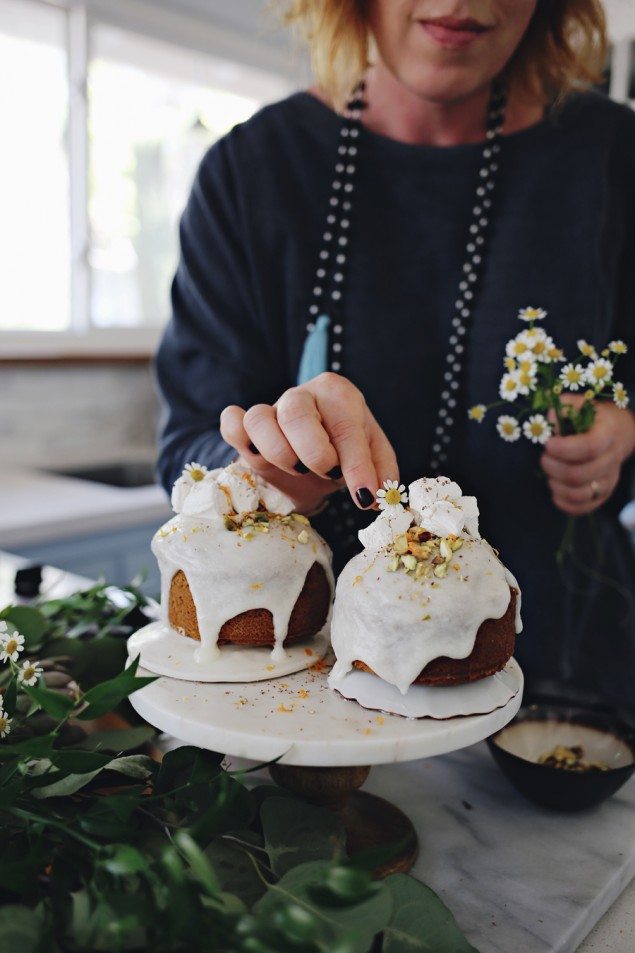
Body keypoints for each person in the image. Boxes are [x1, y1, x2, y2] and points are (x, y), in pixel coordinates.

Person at [156, 1, 635, 709]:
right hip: (302, 687)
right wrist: (268, 465)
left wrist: (624, 430)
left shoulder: (614, 161)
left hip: (570, 684)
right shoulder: (252, 171)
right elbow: (187, 451)